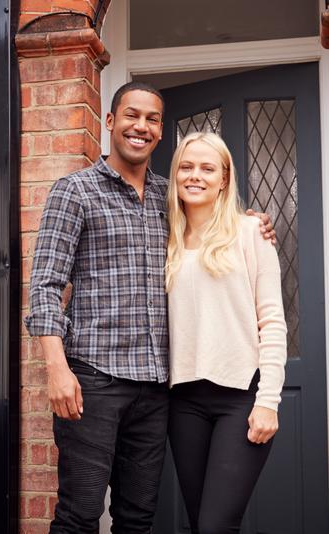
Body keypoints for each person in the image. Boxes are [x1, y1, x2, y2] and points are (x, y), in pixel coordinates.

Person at [25, 82, 275, 533]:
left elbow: (215, 218)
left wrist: (253, 222)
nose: (141, 126)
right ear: (110, 121)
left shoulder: (170, 199)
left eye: (152, 119)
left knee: (137, 518)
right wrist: (56, 368)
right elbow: (44, 285)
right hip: (94, 382)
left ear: (160, 132)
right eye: (131, 115)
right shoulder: (75, 192)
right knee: (79, 513)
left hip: (157, 389)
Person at [166, 132, 287, 534]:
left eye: (207, 168)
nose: (195, 175)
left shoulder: (250, 233)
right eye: (186, 167)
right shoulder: (164, 239)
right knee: (201, 523)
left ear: (224, 177)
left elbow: (271, 321)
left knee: (217, 525)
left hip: (241, 397)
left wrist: (268, 400)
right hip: (183, 401)